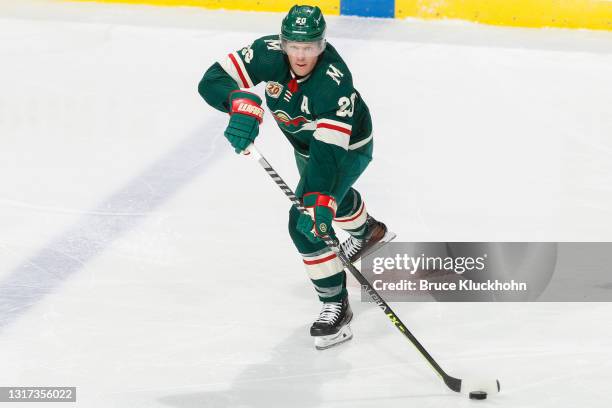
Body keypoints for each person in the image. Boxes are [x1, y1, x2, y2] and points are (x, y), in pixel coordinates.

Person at [198, 4, 394, 350]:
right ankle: (367, 232)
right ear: (283, 41)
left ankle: (335, 305)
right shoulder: (266, 52)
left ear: (322, 45)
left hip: (346, 148)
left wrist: (318, 203)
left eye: (310, 47)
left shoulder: (332, 82)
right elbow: (211, 79)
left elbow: (328, 157)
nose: (301, 56)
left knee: (304, 220)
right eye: (294, 46)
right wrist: (238, 100)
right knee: (327, 202)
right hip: (305, 146)